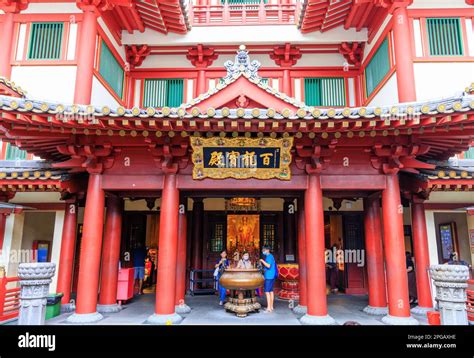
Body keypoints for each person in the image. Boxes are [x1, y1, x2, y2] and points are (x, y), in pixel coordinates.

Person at [259, 245, 277, 312]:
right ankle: (271, 306)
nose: (263, 251)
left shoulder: (269, 256)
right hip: (272, 276)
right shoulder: (271, 256)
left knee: (267, 292)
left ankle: (268, 308)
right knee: (271, 291)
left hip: (269, 276)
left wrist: (262, 261)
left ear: (267, 250)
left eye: (264, 250)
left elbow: (268, 266)